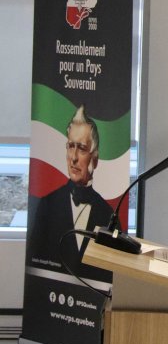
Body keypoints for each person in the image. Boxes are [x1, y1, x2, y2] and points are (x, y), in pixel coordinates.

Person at [26, 104, 113, 283]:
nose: (73, 157)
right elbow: (34, 271)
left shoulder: (109, 215)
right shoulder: (47, 205)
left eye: (81, 148)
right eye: (70, 146)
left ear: (95, 159)